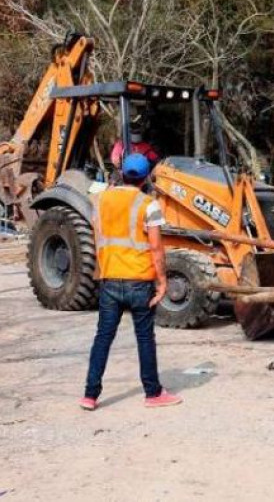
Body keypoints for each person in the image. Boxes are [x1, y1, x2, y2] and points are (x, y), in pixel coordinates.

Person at [80, 153, 181, 411]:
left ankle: (90, 395)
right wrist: (162, 282)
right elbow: (156, 247)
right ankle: (153, 393)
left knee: (103, 337)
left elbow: (97, 232)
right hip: (140, 281)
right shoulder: (149, 205)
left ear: (121, 173)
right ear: (147, 177)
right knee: (145, 338)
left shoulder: (100, 200)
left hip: (110, 279)